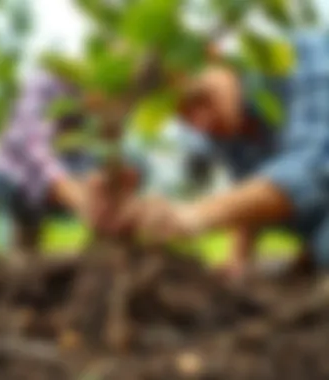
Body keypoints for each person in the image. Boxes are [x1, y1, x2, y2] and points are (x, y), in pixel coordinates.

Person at [103, 30, 329, 279]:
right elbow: (253, 184)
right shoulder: (228, 122)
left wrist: (190, 216)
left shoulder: (310, 61)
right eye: (184, 116)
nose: (201, 123)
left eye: (199, 100)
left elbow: (313, 168)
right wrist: (240, 258)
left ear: (214, 56)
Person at [0, 70, 104, 254]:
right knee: (21, 215)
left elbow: (84, 152)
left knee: (133, 165)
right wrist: (64, 185)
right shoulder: (45, 84)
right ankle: (17, 251)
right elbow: (31, 142)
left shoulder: (87, 110)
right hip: (13, 175)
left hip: (56, 178)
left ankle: (27, 255)